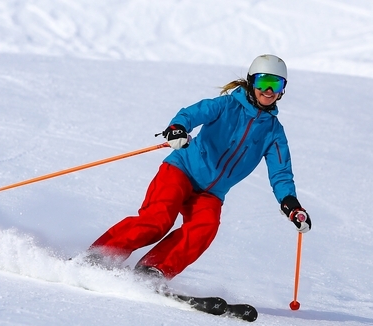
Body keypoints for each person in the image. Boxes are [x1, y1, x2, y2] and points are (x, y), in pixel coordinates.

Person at [88, 54, 311, 280]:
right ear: (252, 81)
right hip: (182, 170)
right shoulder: (226, 105)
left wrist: (290, 203)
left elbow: (280, 173)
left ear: (283, 90)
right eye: (264, 82)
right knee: (157, 220)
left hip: (211, 193)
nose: (269, 90)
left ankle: (153, 271)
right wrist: (178, 128)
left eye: (277, 84)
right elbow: (192, 113)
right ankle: (100, 257)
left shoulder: (274, 133)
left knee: (205, 227)